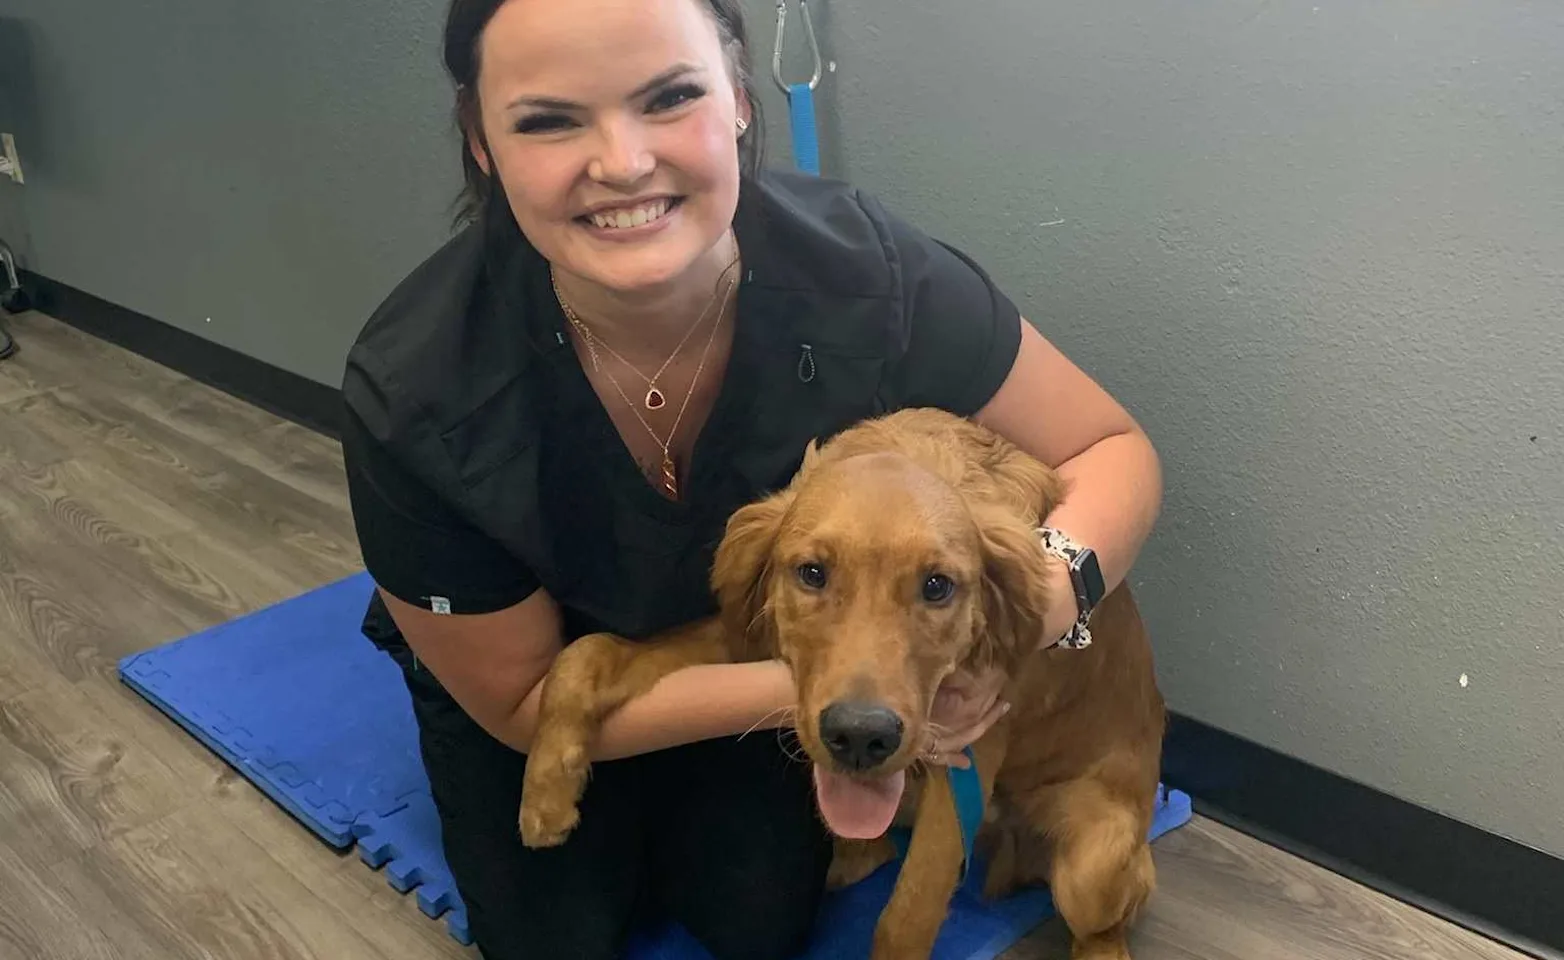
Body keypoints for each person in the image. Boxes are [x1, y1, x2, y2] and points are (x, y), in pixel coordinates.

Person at [337, 0, 1164, 958]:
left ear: (736, 98)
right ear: (481, 144)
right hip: (543, 670)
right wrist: (809, 691)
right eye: (550, 119)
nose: (623, 162)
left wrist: (1031, 609)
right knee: (551, 939)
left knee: (758, 920)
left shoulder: (867, 271)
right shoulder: (416, 389)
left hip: (757, 652)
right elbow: (522, 703)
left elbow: (1112, 447)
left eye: (670, 97)